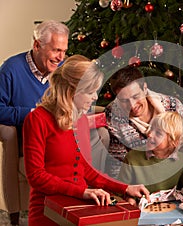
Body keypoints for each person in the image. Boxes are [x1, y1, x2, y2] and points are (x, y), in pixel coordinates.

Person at [22, 55, 150, 226]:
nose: (94, 98)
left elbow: (87, 171)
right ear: (71, 90)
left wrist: (125, 188)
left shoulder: (81, 120)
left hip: (80, 204)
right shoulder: (37, 119)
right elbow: (36, 177)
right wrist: (83, 192)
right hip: (48, 208)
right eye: (90, 92)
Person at [0, 20, 69, 225]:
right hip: (30, 139)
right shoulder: (11, 69)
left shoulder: (63, 68)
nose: (61, 58)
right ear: (37, 45)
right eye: (56, 50)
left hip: (59, 137)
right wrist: (33, 114)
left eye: (64, 51)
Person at [105, 66, 183, 178]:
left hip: (175, 175)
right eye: (124, 101)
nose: (132, 105)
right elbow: (117, 165)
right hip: (139, 181)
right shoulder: (113, 114)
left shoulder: (173, 106)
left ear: (144, 88)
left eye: (136, 96)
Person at [118, 112, 183, 205]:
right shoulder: (132, 157)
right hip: (140, 209)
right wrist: (129, 199)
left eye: (158, 133)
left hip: (170, 210)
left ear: (174, 142)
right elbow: (121, 189)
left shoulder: (182, 160)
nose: (150, 135)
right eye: (151, 129)